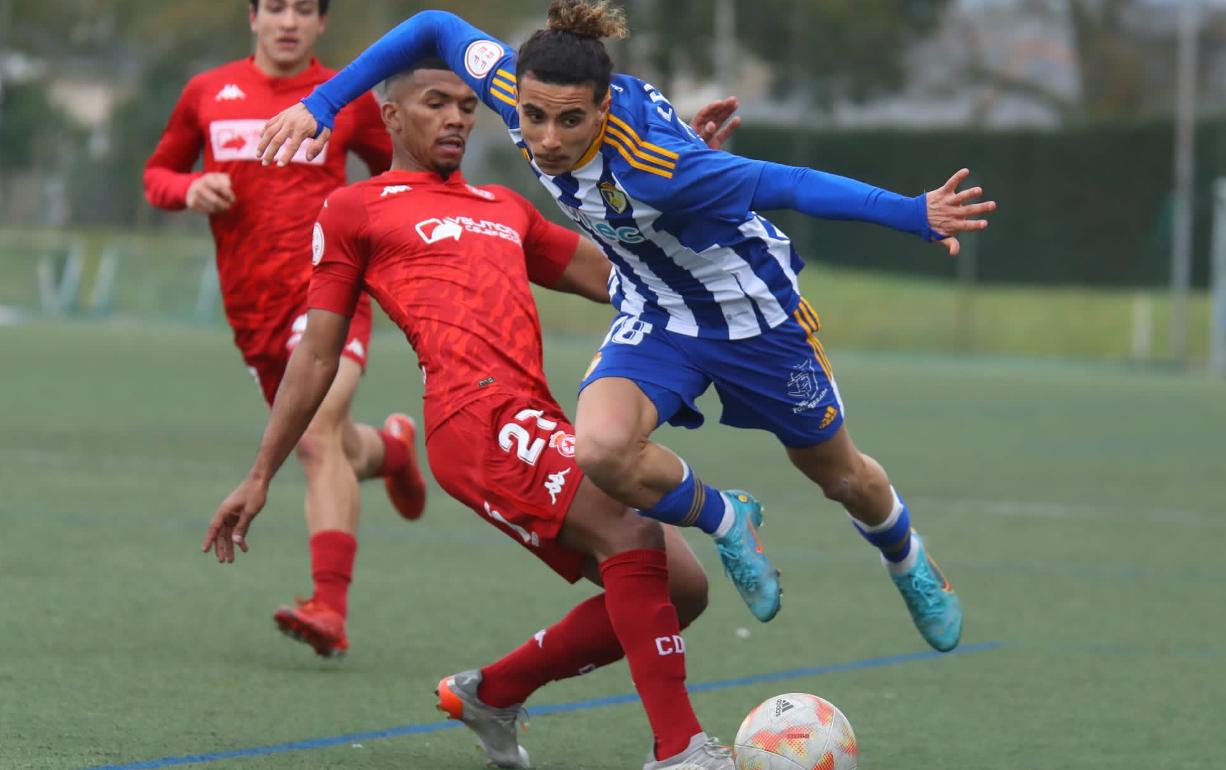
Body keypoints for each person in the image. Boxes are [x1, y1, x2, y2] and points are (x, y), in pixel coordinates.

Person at [257, 0, 997, 652]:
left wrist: (913, 214)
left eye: (570, 120)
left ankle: (909, 561)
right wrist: (323, 106)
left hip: (752, 316)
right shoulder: (521, 89)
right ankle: (726, 516)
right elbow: (431, 28)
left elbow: (790, 183)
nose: (544, 138)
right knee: (601, 448)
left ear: (604, 108)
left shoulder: (661, 170)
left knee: (840, 476)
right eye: (532, 117)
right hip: (656, 309)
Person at [204, 59, 742, 770]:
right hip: (474, 422)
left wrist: (681, 182)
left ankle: (494, 691)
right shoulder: (356, 209)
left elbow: (626, 278)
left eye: (466, 104)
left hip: (532, 415)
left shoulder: (504, 207)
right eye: (436, 103)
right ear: (393, 117)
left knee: (685, 590)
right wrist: (261, 473)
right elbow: (315, 357)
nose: (457, 116)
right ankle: (679, 751)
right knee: (631, 524)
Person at [143, 0, 429, 659]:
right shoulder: (207, 92)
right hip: (252, 311)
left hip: (328, 290)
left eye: (305, 9)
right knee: (324, 443)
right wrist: (186, 190)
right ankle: (389, 452)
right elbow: (158, 172)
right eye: (276, 7)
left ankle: (329, 606)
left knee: (317, 435)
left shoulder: (344, 99)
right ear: (253, 16)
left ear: (322, 23)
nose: (289, 20)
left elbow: (400, 173)